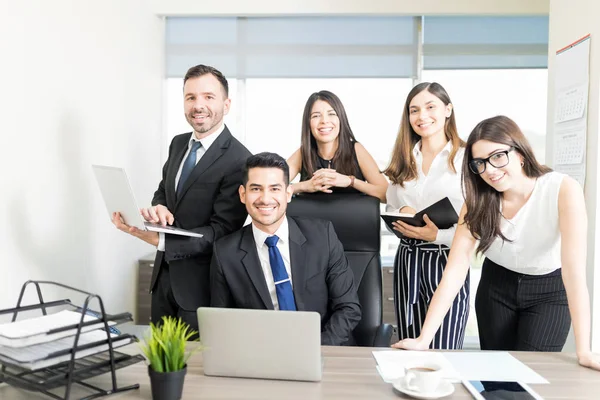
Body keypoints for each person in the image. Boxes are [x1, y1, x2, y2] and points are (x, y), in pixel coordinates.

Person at [393, 115, 600, 371]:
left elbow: (574, 272)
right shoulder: (478, 202)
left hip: (548, 290)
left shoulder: (562, 189)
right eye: (479, 163)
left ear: (521, 153)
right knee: (496, 376)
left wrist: (585, 351)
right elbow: (454, 272)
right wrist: (424, 340)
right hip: (496, 288)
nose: (490, 170)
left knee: (530, 374)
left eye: (498, 156)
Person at [112, 65, 251, 333]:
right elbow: (164, 189)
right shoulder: (178, 144)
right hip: (163, 282)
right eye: (191, 97)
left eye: (208, 97)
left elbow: (222, 232)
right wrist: (159, 207)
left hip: (201, 291)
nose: (198, 105)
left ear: (227, 103)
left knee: (196, 372)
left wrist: (162, 240)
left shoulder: (239, 159)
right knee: (162, 368)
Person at [210, 152, 362, 346]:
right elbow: (222, 322)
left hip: (324, 349)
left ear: (288, 193)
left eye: (275, 189)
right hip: (261, 355)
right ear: (243, 194)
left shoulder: (323, 236)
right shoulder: (225, 252)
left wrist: (315, 350)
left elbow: (348, 308)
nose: (265, 199)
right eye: (256, 189)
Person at [383, 82, 469, 350]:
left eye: (430, 107)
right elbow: (392, 205)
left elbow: (479, 226)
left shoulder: (466, 158)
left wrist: (438, 235)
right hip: (408, 259)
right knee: (409, 345)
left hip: (447, 258)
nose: (422, 116)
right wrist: (402, 213)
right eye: (414, 110)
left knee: (442, 349)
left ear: (448, 110)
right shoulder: (404, 158)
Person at [286, 90, 388, 202]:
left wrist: (351, 182)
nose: (324, 121)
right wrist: (305, 186)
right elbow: (270, 188)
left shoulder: (356, 149)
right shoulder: (303, 153)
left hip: (351, 218)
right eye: (316, 116)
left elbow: (385, 195)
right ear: (308, 123)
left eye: (331, 114)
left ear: (341, 119)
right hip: (312, 219)